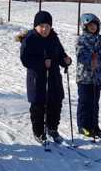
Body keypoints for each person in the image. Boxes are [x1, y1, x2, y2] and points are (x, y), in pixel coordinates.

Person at [18, 11, 72, 144]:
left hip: (53, 76)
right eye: (41, 26)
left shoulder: (54, 38)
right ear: (35, 26)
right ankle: (39, 132)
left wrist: (65, 60)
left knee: (56, 102)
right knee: (38, 106)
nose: (44, 29)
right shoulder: (30, 39)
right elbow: (25, 59)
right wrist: (41, 63)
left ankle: (52, 128)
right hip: (37, 78)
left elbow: (60, 53)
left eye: (47, 26)